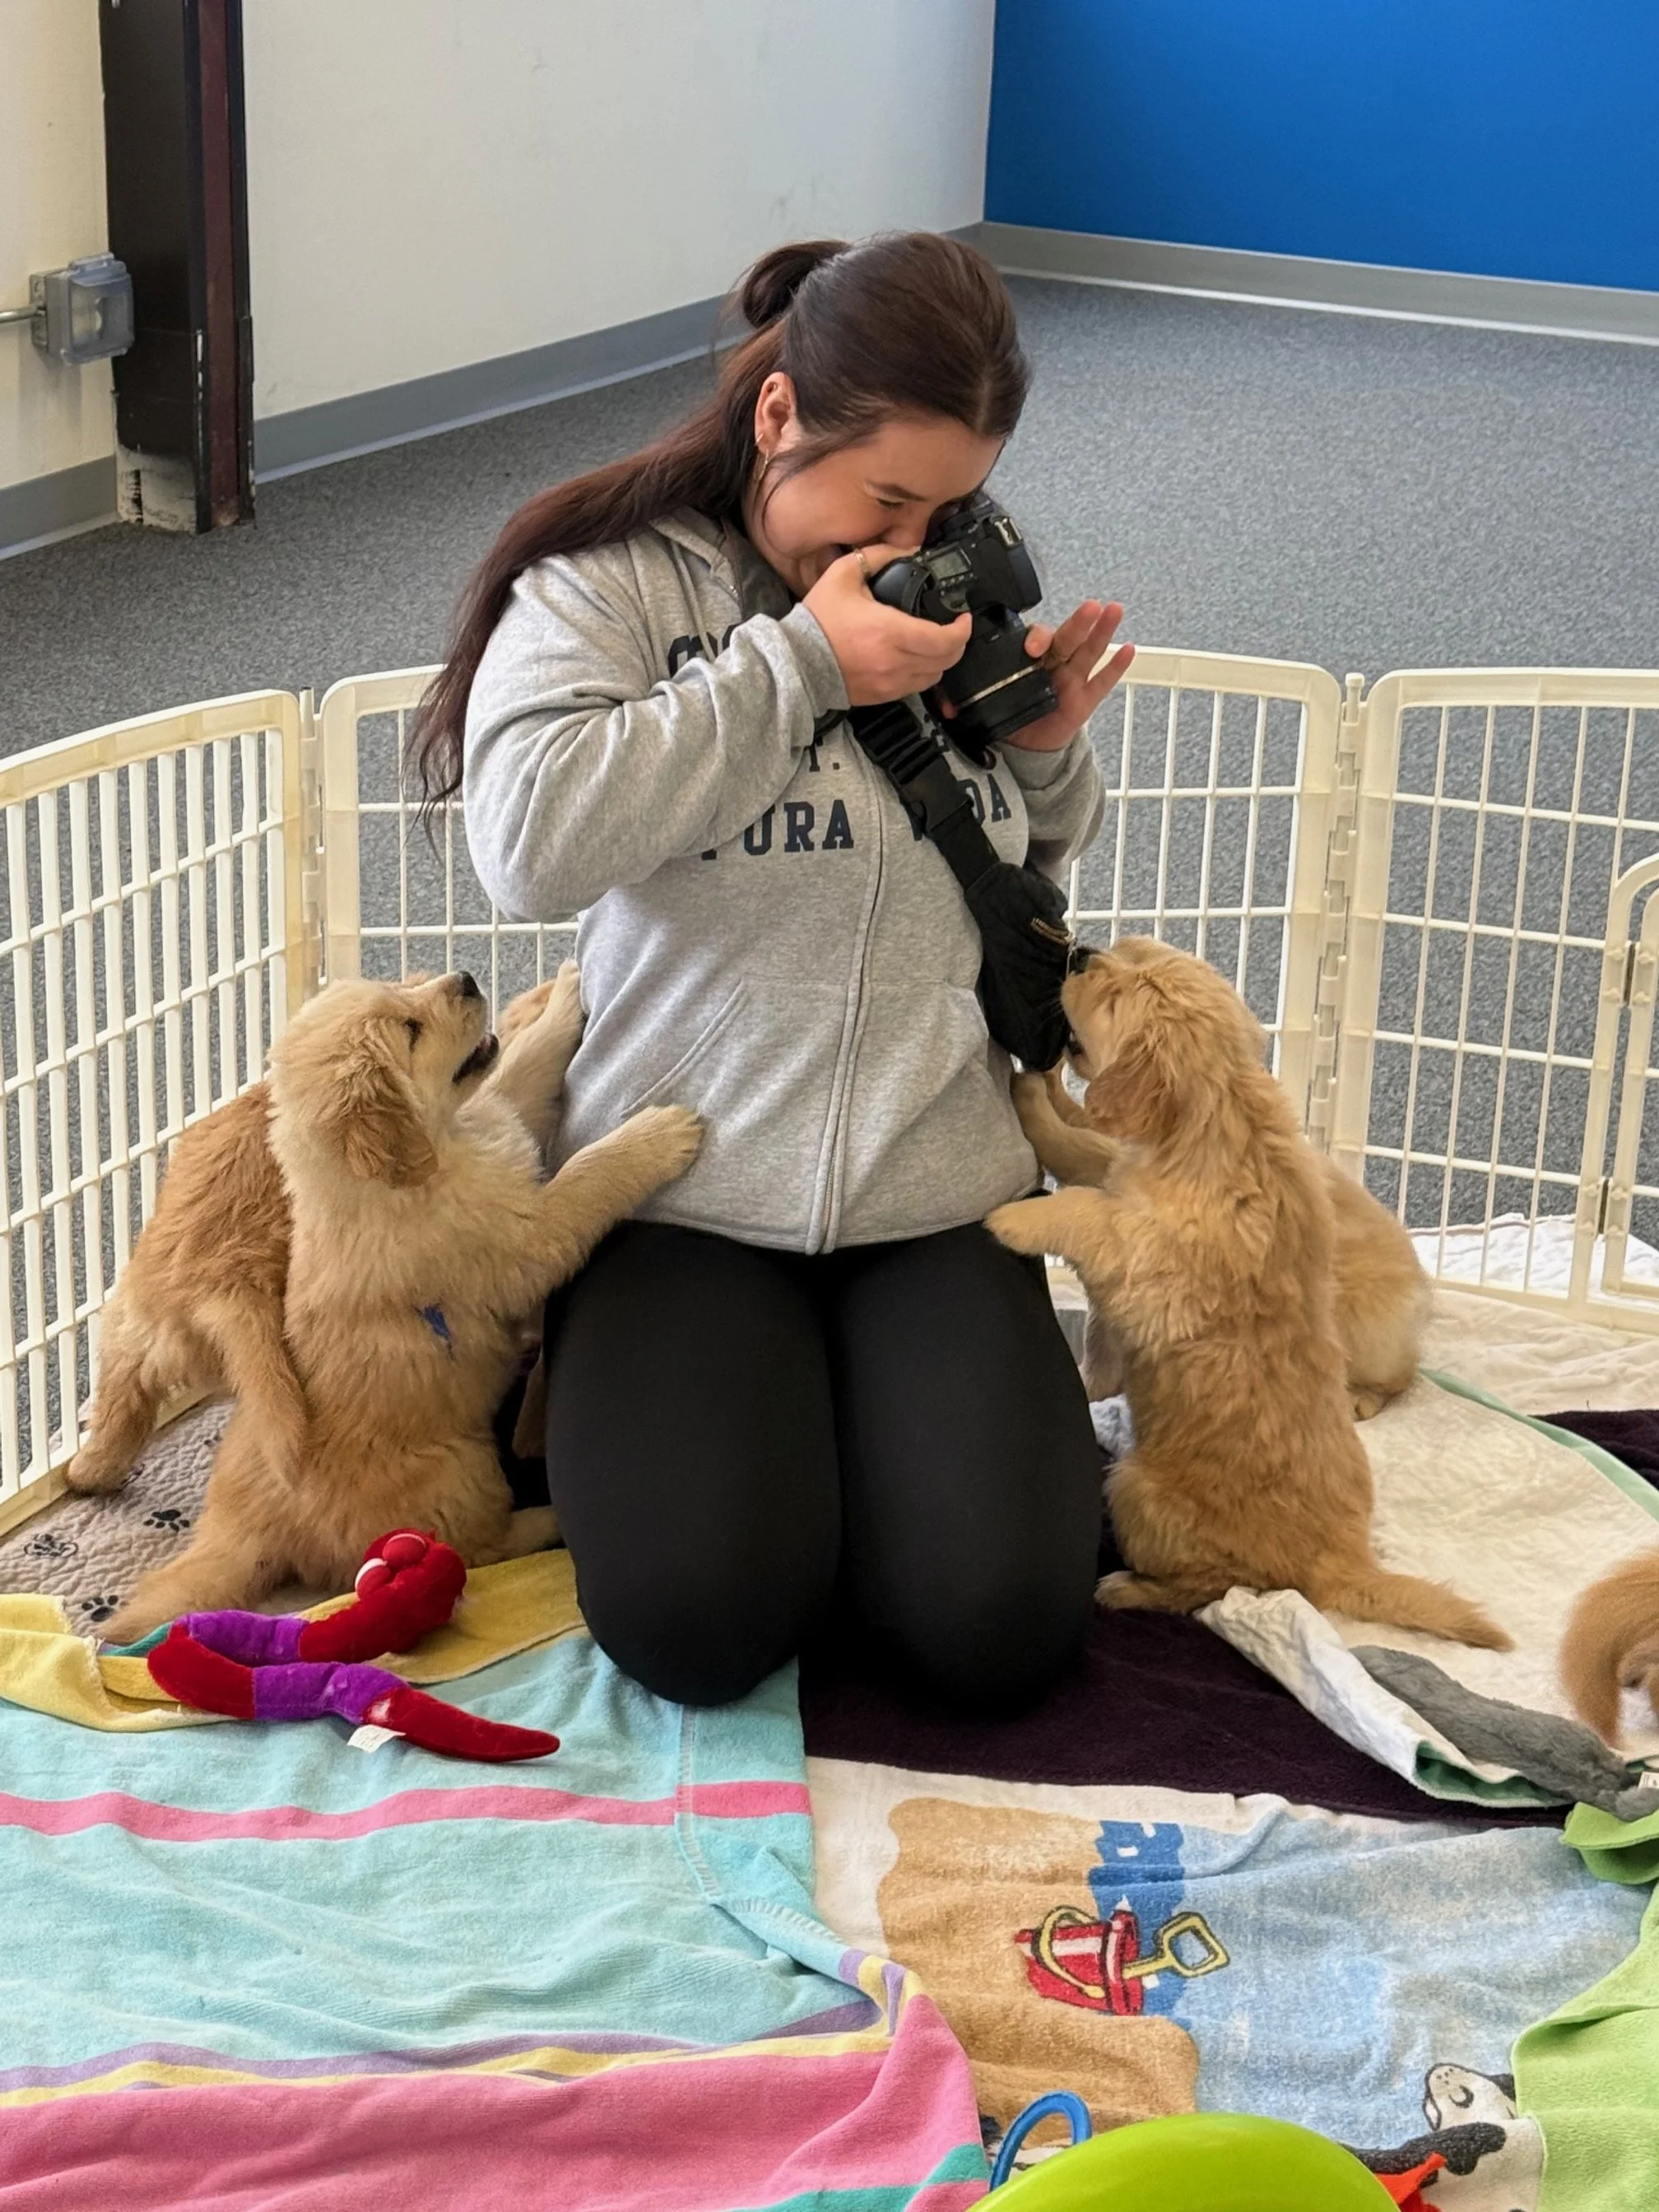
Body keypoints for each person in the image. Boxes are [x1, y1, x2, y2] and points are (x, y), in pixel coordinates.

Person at [413, 232, 1135, 1712]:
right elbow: (529, 846)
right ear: (779, 414)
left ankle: (851, 1454)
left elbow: (1023, 867)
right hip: (680, 1186)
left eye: (952, 503)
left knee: (1001, 1623)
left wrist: (1046, 755)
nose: (920, 538)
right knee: (695, 1621)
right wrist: (800, 663)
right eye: (889, 499)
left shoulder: (937, 583)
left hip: (933, 1182)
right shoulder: (606, 585)